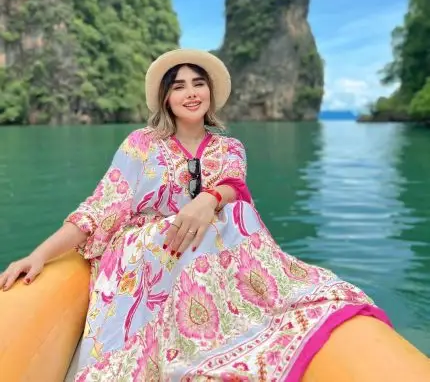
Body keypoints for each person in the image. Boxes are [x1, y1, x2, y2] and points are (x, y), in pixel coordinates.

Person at [0, 49, 392, 381]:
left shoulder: (228, 147)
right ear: (166, 98)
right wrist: (39, 254)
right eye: (179, 86)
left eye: (198, 83)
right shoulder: (141, 144)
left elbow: (234, 183)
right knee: (201, 224)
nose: (191, 93)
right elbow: (100, 207)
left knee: (236, 213)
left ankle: (234, 326)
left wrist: (208, 199)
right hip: (148, 252)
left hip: (204, 246)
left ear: (210, 93)